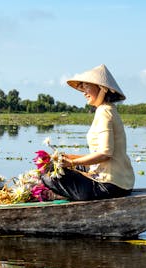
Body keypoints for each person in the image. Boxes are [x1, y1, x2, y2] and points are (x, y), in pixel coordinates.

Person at [41, 64, 134, 201]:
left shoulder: (104, 112)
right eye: (82, 87)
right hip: (122, 182)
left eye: (87, 86)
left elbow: (105, 153)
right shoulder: (108, 109)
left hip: (110, 185)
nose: (84, 92)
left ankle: (61, 196)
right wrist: (70, 157)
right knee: (57, 166)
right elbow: (101, 155)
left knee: (48, 176)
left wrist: (71, 164)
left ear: (102, 88)